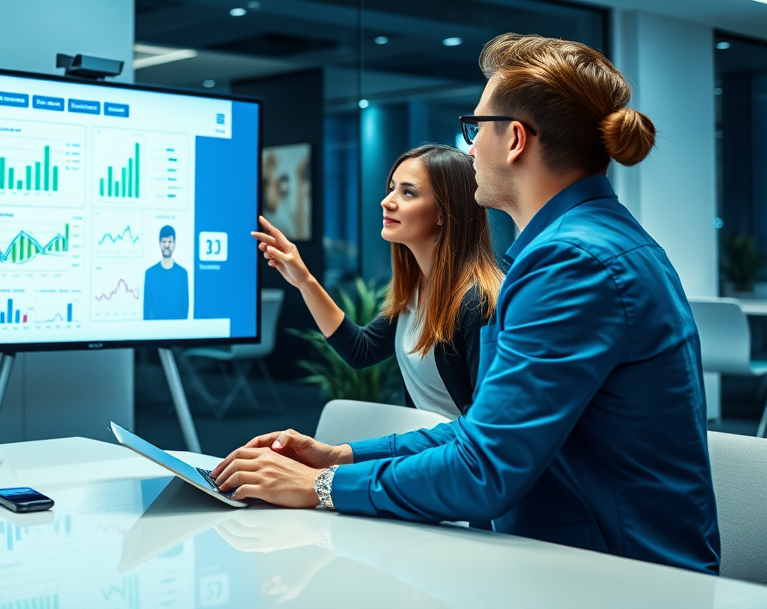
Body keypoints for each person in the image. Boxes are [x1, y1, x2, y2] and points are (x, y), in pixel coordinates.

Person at [214, 33, 721, 575]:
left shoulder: (571, 263)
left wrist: (321, 487)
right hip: (591, 557)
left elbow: (484, 470)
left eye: (476, 128)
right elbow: (485, 429)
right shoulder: (592, 244)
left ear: (516, 140)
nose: (470, 147)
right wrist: (341, 457)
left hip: (622, 580)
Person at [253, 143, 503, 420]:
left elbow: (485, 429)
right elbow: (361, 350)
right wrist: (305, 281)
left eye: (408, 192)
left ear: (444, 212)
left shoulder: (477, 302)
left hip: (450, 459)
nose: (387, 201)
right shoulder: (417, 289)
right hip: (422, 453)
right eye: (392, 188)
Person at [142, 224, 189, 320]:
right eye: (164, 242)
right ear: (160, 244)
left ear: (174, 243)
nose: (167, 245)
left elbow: (185, 307)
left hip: (177, 332)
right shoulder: (150, 274)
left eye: (170, 241)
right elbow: (146, 308)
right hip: (155, 332)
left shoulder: (182, 274)